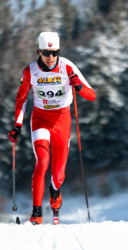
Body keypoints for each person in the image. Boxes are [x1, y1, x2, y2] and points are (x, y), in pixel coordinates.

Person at [8, 32, 96, 225]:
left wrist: (79, 86)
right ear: (39, 51)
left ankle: (55, 190)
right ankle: (37, 213)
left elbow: (92, 95)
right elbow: (21, 100)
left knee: (58, 174)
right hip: (40, 118)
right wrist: (17, 125)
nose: (51, 57)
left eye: (55, 52)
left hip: (62, 120)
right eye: (47, 52)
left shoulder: (67, 66)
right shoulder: (30, 71)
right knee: (42, 161)